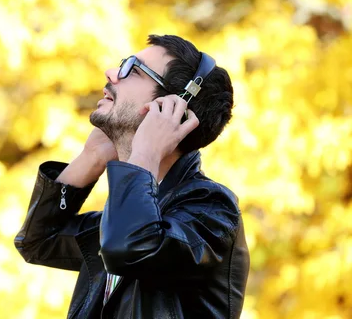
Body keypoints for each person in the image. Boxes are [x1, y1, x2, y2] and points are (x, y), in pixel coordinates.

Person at [14, 34, 250, 318]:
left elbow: (132, 247)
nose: (112, 74)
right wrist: (92, 157)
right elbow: (38, 242)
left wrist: (146, 152)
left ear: (173, 108)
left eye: (133, 70)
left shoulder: (210, 209)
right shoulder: (125, 219)